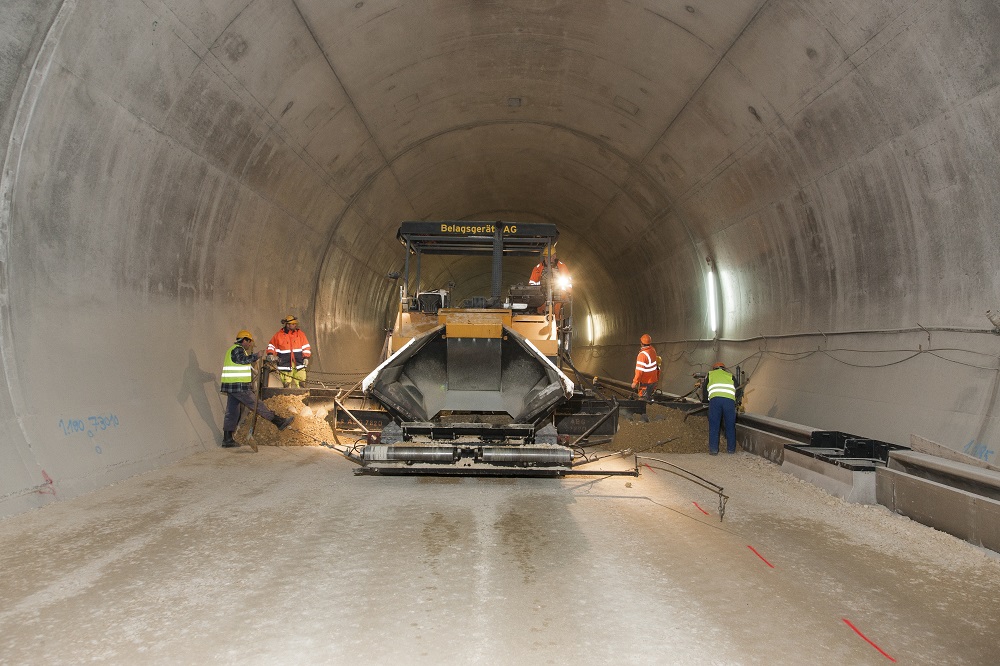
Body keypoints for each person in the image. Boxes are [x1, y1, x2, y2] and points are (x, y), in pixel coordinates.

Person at [220, 330, 294, 447]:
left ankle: (227, 439)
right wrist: (256, 356)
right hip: (239, 386)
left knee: (232, 412)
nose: (250, 345)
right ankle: (279, 422)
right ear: (244, 340)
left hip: (232, 387)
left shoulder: (232, 350)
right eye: (249, 342)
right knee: (257, 405)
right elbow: (242, 360)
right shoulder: (238, 349)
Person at [266, 315, 312, 388]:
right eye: (293, 324)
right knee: (286, 384)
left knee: (301, 382)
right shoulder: (278, 335)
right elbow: (271, 346)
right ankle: (288, 398)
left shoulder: (300, 334)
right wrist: (270, 354)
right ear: (287, 324)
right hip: (285, 364)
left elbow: (306, 347)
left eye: (295, 324)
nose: (295, 325)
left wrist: (306, 357)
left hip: (299, 363)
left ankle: (302, 397)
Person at [707, 361, 737, 455]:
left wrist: (705, 401)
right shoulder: (730, 376)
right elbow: (738, 390)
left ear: (714, 368)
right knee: (730, 425)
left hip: (715, 401)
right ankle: (731, 450)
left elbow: (705, 388)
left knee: (714, 425)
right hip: (729, 402)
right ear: (724, 368)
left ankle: (714, 450)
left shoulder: (710, 374)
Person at [631, 334, 660, 401]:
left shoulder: (642, 355)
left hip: (646, 382)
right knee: (649, 398)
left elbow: (639, 371)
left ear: (641, 343)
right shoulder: (653, 350)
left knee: (642, 400)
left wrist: (635, 382)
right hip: (654, 380)